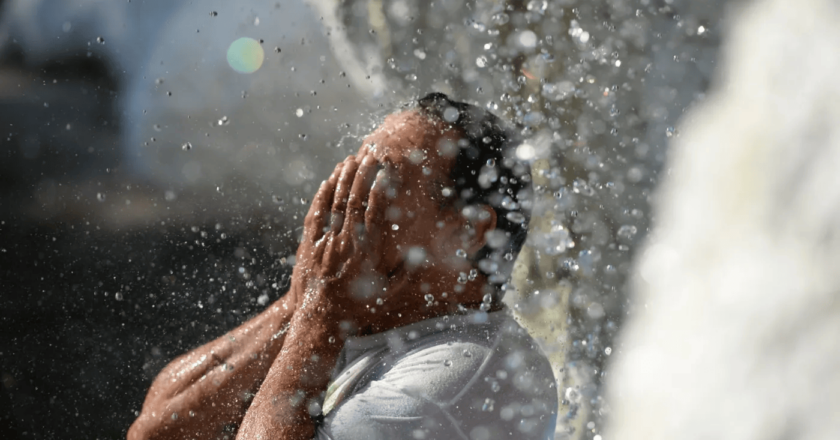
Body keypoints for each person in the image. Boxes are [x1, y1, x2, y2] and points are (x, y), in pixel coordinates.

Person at [127, 93, 558, 440]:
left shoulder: (453, 384)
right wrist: (302, 303)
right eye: (352, 174)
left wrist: (319, 316)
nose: (345, 201)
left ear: (468, 231)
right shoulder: (377, 320)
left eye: (378, 181)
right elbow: (156, 431)